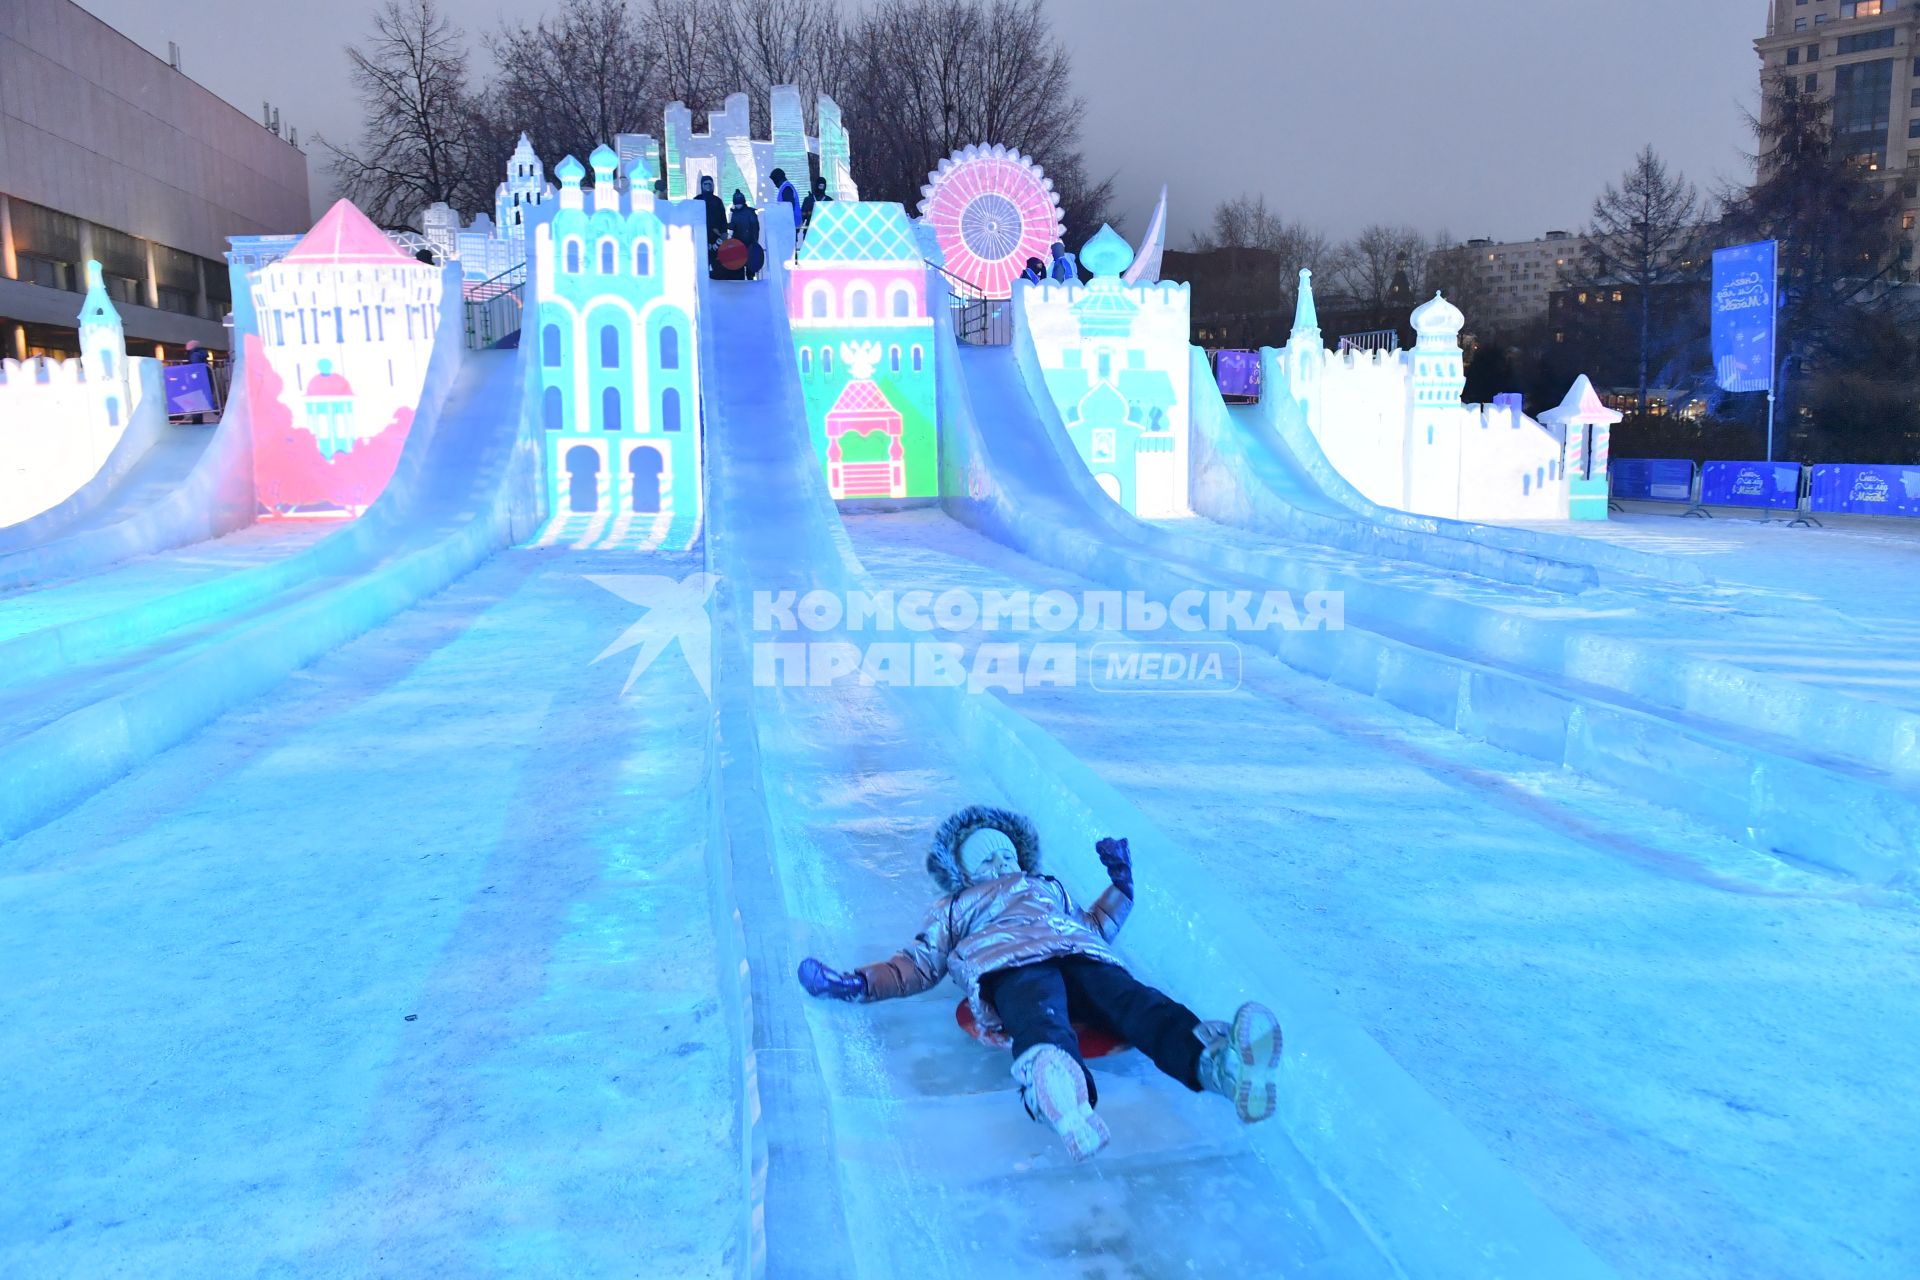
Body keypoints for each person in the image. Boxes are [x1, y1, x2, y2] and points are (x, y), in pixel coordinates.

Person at [796, 806, 1283, 1163]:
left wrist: (1121, 887)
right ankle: (1059, 1090)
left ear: (1019, 857)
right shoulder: (955, 907)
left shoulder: (1046, 887)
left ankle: (1216, 1064)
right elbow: (917, 964)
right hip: (1006, 963)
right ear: (964, 874)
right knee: (1037, 1008)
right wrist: (857, 982)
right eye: (986, 863)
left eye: (1005, 856)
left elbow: (1093, 926)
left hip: (1079, 952)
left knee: (1136, 1001)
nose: (1000, 865)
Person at [726, 190, 762, 280]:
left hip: (747, 242)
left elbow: (755, 228)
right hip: (740, 243)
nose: (738, 205)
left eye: (739, 203)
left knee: (747, 266)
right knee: (740, 267)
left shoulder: (748, 213)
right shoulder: (739, 213)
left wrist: (754, 242)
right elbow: (733, 226)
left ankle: (748, 279)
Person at [695, 175, 728, 272]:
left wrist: (724, 232)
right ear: (701, 185)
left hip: (716, 238)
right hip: (701, 237)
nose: (708, 186)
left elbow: (723, 218)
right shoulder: (696, 200)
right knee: (701, 265)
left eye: (710, 184)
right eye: (705, 184)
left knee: (717, 265)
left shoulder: (718, 201)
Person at [800, 174, 833, 238]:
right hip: (812, 233)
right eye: (820, 186)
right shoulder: (808, 199)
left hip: (822, 233)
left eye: (822, 186)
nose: (821, 188)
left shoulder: (829, 201)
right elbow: (802, 216)